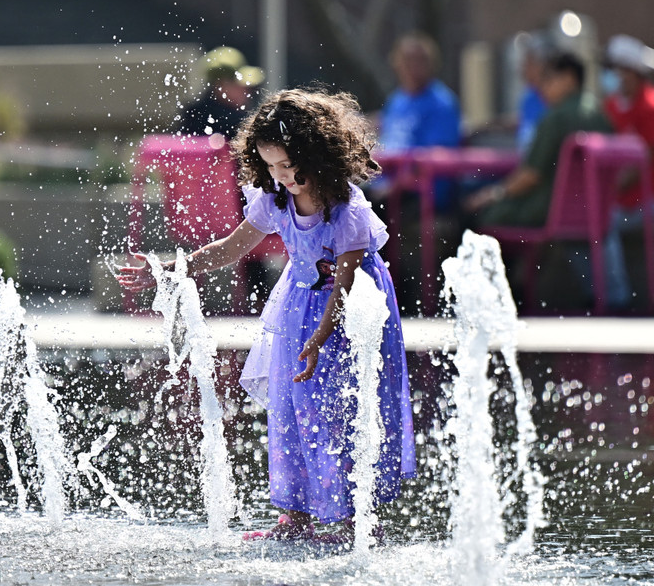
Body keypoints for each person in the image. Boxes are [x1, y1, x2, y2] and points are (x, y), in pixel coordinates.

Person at [119, 89, 416, 541]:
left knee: (339, 406)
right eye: (271, 166)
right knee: (291, 405)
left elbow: (346, 284)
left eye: (288, 165)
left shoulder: (346, 210)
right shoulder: (275, 196)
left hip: (348, 310)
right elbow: (231, 248)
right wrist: (168, 270)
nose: (281, 176)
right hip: (298, 306)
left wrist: (320, 338)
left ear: (316, 153)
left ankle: (351, 519)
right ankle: (294, 517)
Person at [466, 52, 611, 227]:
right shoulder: (600, 116)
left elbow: (530, 176)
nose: (542, 87)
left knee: (478, 212)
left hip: (547, 211)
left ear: (569, 78)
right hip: (593, 214)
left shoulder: (555, 118)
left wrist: (494, 193)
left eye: (548, 79)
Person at [598, 34, 654, 310]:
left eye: (616, 68)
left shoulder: (650, 107)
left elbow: (644, 162)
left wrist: (610, 187)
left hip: (647, 199)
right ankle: (613, 298)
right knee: (598, 223)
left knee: (605, 222)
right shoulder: (609, 107)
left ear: (630, 72)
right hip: (620, 200)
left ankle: (618, 300)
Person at [376, 32, 461, 211]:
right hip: (386, 182)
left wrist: (397, 185)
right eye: (407, 60)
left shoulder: (441, 103)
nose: (413, 67)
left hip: (420, 191)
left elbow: (438, 155)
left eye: (420, 60)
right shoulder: (396, 100)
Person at [176, 46, 265, 139]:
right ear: (221, 85)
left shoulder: (193, 114)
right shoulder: (231, 121)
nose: (247, 91)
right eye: (239, 84)